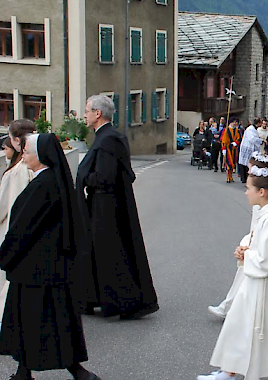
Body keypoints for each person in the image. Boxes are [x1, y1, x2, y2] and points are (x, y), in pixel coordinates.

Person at [0, 133, 102, 380]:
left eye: (27, 152)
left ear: (41, 156)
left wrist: (5, 255)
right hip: (50, 266)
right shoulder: (54, 181)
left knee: (38, 321)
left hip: (35, 267)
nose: (24, 156)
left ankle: (74, 371)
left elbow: (23, 228)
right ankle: (26, 371)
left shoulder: (43, 185)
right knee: (53, 321)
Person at [198, 166, 268, 380]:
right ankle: (231, 369)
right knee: (241, 324)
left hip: (267, 283)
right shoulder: (265, 214)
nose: (245, 192)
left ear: (261, 192)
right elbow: (258, 242)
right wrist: (245, 248)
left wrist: (248, 257)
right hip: (256, 280)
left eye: (248, 188)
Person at [75, 95, 159, 319]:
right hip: (107, 204)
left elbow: (104, 177)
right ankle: (96, 298)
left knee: (109, 255)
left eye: (87, 110)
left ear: (98, 114)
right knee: (101, 253)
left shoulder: (108, 139)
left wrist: (84, 176)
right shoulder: (109, 136)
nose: (84, 114)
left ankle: (119, 301)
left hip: (105, 207)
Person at [208, 152, 268, 319]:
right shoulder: (257, 194)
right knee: (247, 277)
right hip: (254, 241)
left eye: (252, 169)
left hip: (259, 245)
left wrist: (249, 245)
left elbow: (260, 226)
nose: (249, 171)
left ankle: (230, 307)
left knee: (247, 276)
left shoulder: (263, 198)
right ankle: (233, 306)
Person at [0, 121, 36, 321]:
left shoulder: (14, 172)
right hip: (32, 234)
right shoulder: (38, 166)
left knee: (8, 284)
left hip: (12, 232)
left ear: (15, 141)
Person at [239, 118, 263, 183]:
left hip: (251, 148)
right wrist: (261, 141)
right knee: (246, 164)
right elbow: (252, 138)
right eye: (261, 123)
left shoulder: (254, 129)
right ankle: (245, 179)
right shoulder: (250, 129)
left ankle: (247, 178)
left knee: (249, 163)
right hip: (247, 148)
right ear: (258, 123)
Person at [221, 117, 241, 183]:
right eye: (234, 122)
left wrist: (236, 142)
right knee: (228, 163)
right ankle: (228, 177)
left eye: (236, 122)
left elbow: (239, 138)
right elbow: (223, 140)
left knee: (233, 163)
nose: (235, 123)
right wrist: (223, 148)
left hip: (234, 148)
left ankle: (231, 176)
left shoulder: (237, 130)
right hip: (228, 148)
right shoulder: (226, 130)